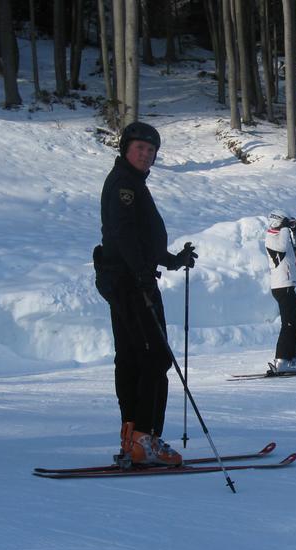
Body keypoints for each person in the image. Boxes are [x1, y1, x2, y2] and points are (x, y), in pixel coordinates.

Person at [94, 121, 197, 466]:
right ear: (125, 148)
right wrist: (141, 273)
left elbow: (137, 238)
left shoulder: (130, 182)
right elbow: (123, 233)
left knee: (132, 357)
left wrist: (172, 260)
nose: (146, 154)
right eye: (140, 148)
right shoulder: (125, 184)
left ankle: (133, 439)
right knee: (155, 358)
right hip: (131, 282)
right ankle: (145, 439)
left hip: (123, 279)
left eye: (151, 150)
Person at [265, 212, 296, 374]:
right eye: (285, 222)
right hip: (281, 287)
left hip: (288, 286)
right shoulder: (272, 237)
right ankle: (281, 360)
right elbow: (282, 247)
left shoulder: (284, 237)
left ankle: (291, 358)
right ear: (277, 222)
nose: (287, 225)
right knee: (289, 323)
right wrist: (286, 228)